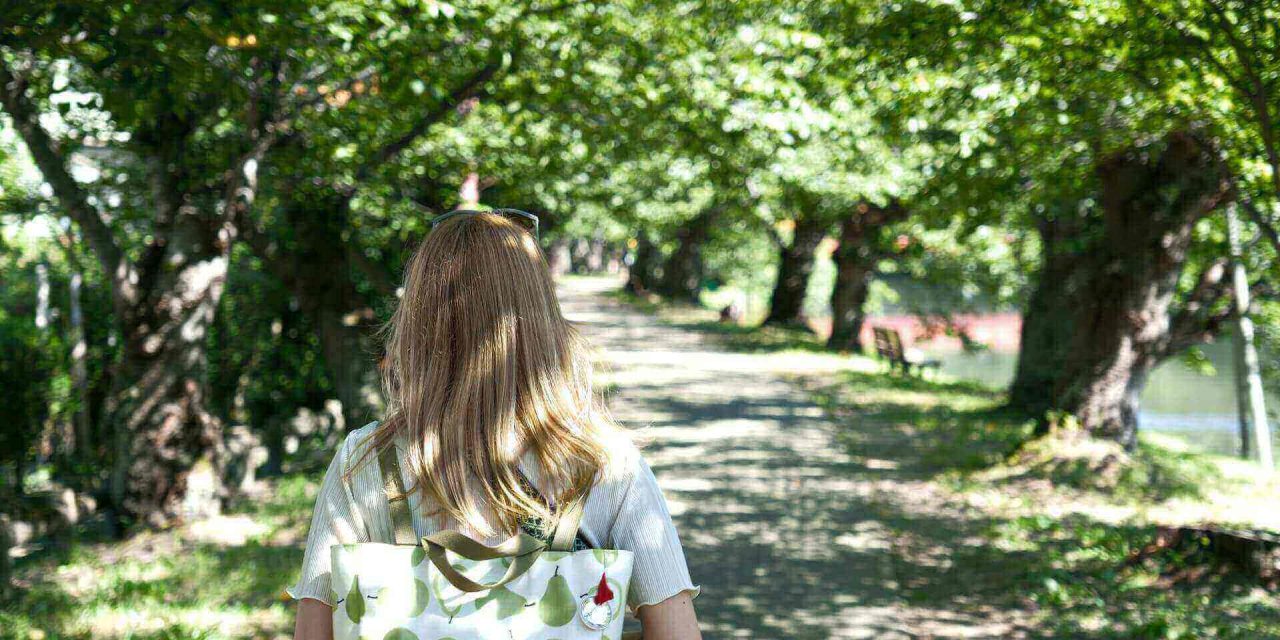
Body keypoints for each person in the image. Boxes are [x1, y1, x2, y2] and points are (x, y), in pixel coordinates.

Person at [288, 211, 702, 639]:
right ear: (542, 321)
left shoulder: (367, 461)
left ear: (417, 323)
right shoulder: (605, 465)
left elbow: (313, 632)